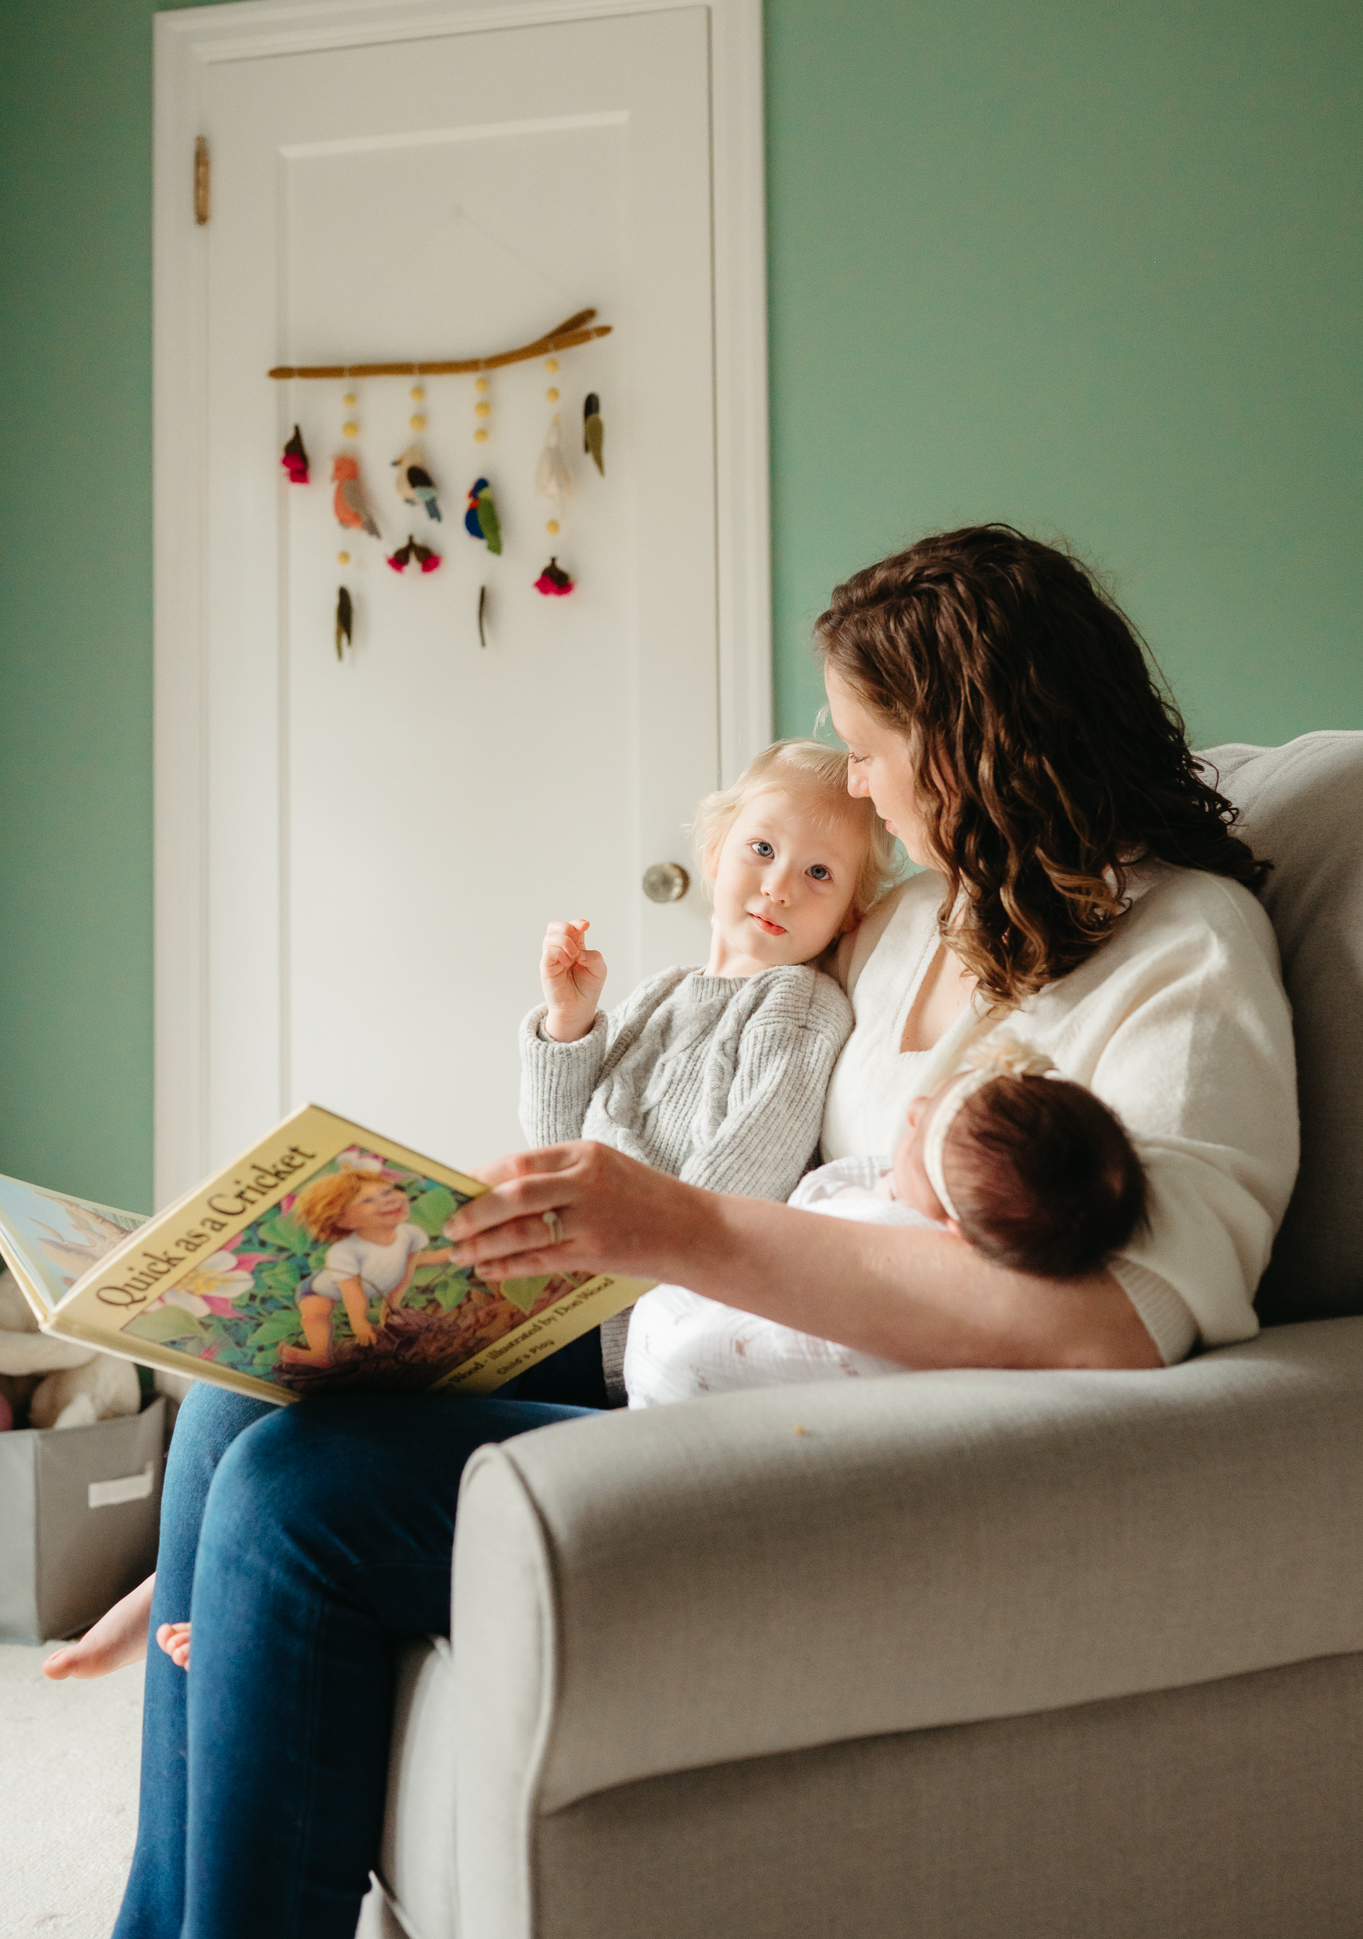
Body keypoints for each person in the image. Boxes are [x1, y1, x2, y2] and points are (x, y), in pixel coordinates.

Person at [50, 525, 1295, 1939]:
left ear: (964, 748)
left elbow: (1116, 1320)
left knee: (302, 1499)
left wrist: (674, 1228)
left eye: (872, 752)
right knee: (241, 1406)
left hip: (844, 1448)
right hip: (707, 1360)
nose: (863, 795)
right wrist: (197, 1533)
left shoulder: (1187, 954)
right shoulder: (917, 921)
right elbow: (726, 1017)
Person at [525, 737, 899, 1392]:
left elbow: (736, 1189)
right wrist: (568, 1023)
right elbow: (557, 1147)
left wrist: (599, 1274)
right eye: (761, 849)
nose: (778, 886)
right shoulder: (661, 993)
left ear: (849, 917)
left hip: (625, 1322)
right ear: (712, 855)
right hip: (570, 1287)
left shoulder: (801, 1004)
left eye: (819, 874)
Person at [624, 1029, 1151, 1403]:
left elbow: (821, 1204)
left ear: (954, 1229)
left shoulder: (901, 1235)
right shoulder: (976, 1209)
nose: (913, 1108)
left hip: (681, 1380)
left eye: (918, 1136)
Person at [279, 1169, 433, 1366]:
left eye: (387, 1192)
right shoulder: (344, 1251)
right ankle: (320, 1355)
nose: (388, 1200)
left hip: (365, 1281)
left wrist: (391, 1307)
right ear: (344, 1221)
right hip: (321, 1288)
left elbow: (406, 1272)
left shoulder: (411, 1234)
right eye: (367, 1201)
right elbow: (353, 1293)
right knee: (313, 1317)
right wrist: (359, 1324)